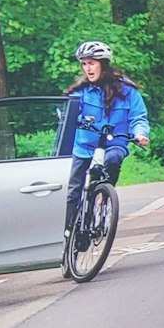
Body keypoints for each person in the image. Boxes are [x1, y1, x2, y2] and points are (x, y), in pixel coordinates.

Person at [63, 42, 151, 236]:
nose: (88, 68)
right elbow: (67, 115)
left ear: (103, 64)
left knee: (113, 159)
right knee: (72, 192)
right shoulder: (80, 92)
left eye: (92, 63)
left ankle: (103, 195)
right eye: (84, 64)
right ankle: (69, 232)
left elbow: (138, 117)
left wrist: (140, 133)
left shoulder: (127, 91)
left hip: (114, 143)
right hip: (85, 146)